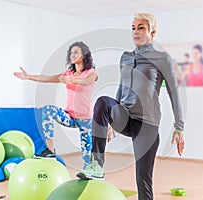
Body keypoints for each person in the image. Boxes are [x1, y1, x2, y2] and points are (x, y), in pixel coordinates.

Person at [77, 13, 185, 200]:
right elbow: (122, 87)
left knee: (143, 179)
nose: (136, 32)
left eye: (141, 27)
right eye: (133, 28)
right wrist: (109, 119)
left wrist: (179, 127)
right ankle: (96, 165)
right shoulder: (125, 57)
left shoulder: (162, 58)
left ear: (153, 31)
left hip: (147, 125)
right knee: (103, 101)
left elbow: (173, 92)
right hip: (126, 117)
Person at [14, 41, 98, 169]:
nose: (72, 55)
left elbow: (87, 81)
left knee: (87, 157)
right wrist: (28, 76)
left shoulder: (90, 72)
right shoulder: (67, 74)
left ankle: (89, 171)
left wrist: (72, 81)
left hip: (86, 119)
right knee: (47, 110)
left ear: (84, 55)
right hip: (69, 116)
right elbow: (47, 78)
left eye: (76, 52)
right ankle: (50, 150)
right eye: (71, 53)